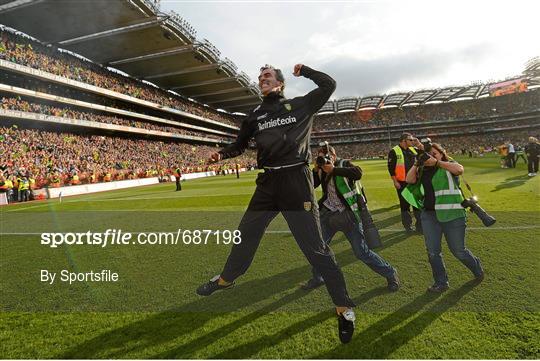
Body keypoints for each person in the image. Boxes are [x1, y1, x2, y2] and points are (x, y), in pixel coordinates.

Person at [196, 64, 356, 343]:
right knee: (245, 233)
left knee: (316, 249)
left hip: (296, 181)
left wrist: (304, 70)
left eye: (268, 76)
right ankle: (226, 279)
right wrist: (221, 155)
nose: (262, 80)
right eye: (260, 78)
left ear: (280, 84)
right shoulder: (254, 116)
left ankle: (344, 309)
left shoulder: (300, 105)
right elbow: (239, 145)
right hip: (268, 183)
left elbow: (329, 85)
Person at [301, 144, 400, 292]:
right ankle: (318, 277)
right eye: (321, 158)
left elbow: (358, 173)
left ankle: (390, 273)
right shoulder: (321, 170)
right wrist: (316, 169)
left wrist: (334, 169)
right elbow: (311, 186)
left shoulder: (344, 164)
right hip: (329, 214)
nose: (325, 161)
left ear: (333, 156)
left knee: (361, 252)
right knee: (318, 248)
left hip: (349, 216)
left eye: (326, 157)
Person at [403, 143, 484, 293]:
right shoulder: (423, 170)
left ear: (441, 154)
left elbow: (459, 169)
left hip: (452, 215)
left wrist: (437, 163)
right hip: (429, 215)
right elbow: (409, 180)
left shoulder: (448, 165)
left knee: (458, 250)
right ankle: (441, 282)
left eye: (435, 153)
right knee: (433, 252)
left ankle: (476, 267)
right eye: (428, 155)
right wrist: (417, 162)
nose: (432, 157)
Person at [387, 133, 422, 232]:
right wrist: (395, 182)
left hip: (414, 181)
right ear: (403, 140)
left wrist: (419, 144)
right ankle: (408, 226)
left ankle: (420, 225)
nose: (412, 141)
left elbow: (425, 154)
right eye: (410, 140)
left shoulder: (413, 149)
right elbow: (391, 168)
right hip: (402, 183)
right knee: (405, 205)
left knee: (417, 204)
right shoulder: (394, 151)